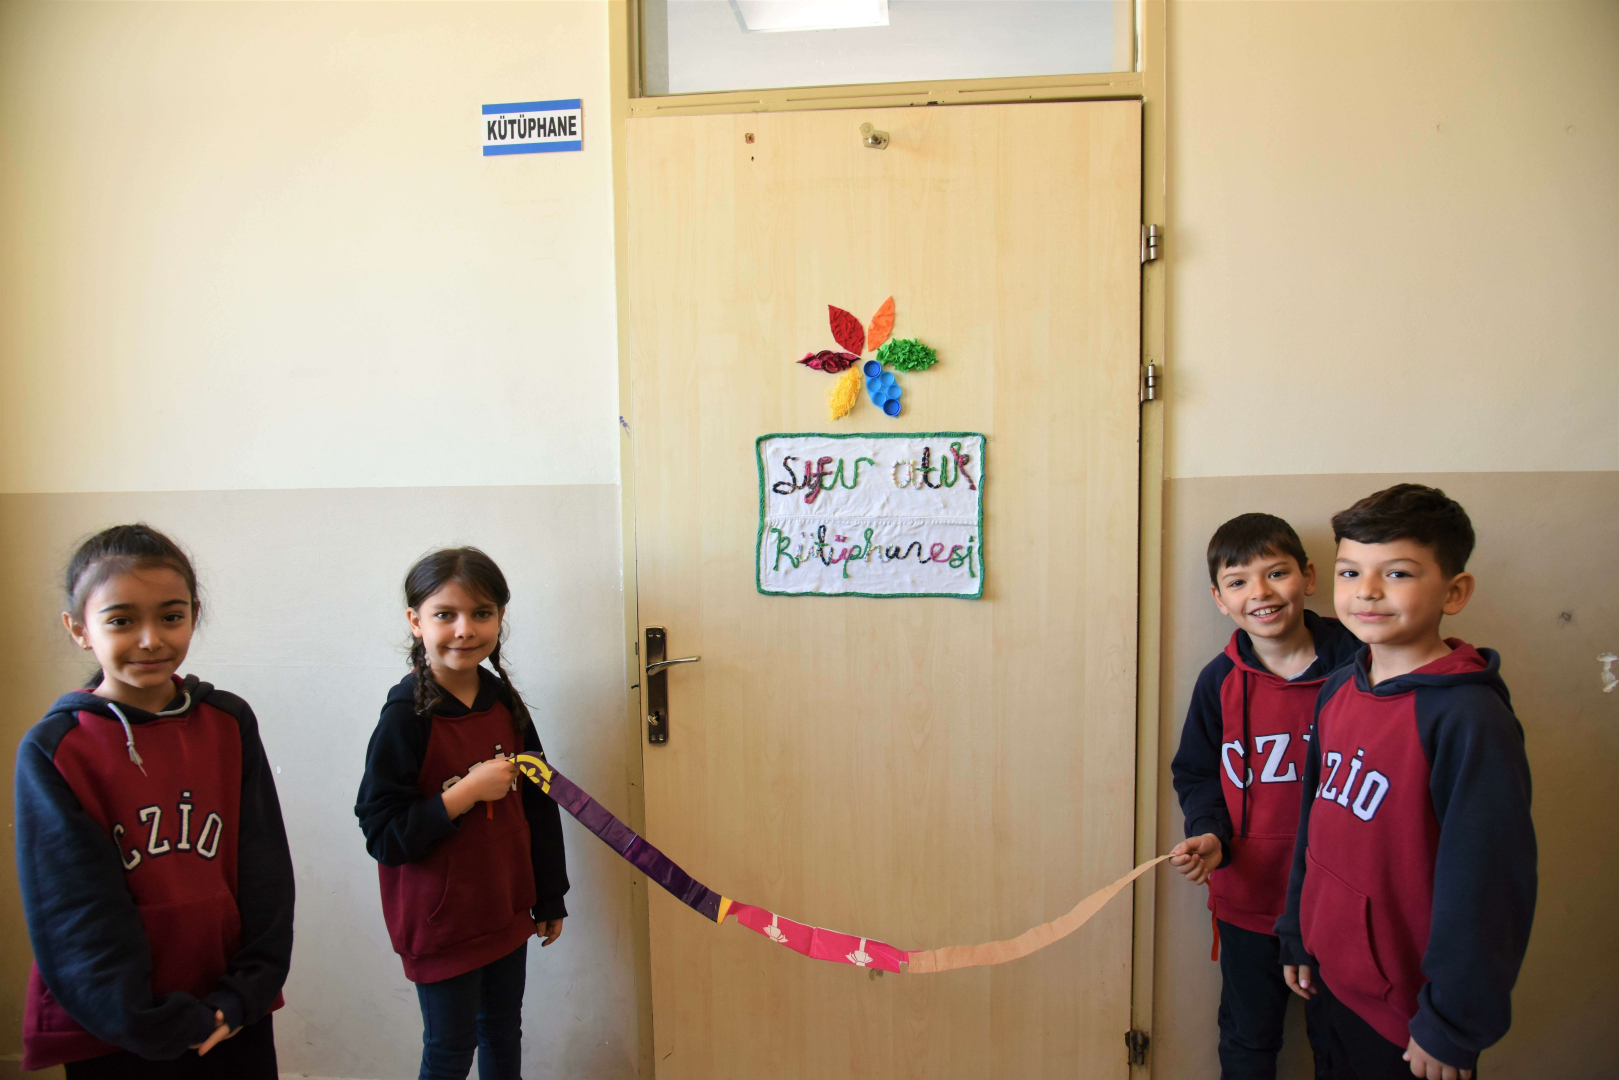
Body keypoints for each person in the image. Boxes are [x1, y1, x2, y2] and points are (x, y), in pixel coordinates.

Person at [14, 524, 295, 1079]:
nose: (150, 640)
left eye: (171, 617)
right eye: (121, 620)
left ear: (194, 615)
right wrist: (153, 1023)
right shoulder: (56, 749)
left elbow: (265, 871)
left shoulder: (228, 722)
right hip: (117, 1028)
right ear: (79, 629)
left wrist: (246, 993)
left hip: (231, 1010)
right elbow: (71, 915)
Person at [1277, 485, 1536, 1080]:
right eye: (1350, 572)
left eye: (1396, 573)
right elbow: (1313, 828)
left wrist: (1450, 1025)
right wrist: (1297, 930)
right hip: (1330, 982)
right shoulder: (1339, 688)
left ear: (1455, 591)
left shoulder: (1468, 719)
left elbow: (1488, 888)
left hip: (1409, 1022)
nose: (1367, 591)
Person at [355, 547, 569, 1080]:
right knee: (449, 1050)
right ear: (416, 621)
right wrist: (464, 793)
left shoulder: (505, 702)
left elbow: (540, 805)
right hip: (442, 925)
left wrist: (549, 894)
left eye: (481, 613)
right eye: (445, 614)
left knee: (503, 1033)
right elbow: (384, 834)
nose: (465, 629)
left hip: (505, 910)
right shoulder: (405, 715)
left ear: (500, 617)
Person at [1170, 513, 1361, 1079]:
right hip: (1249, 902)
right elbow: (1196, 773)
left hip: (1341, 906)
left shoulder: (1364, 668)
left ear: (1309, 577)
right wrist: (1209, 833)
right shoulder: (1218, 681)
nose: (1260, 592)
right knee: (1248, 1041)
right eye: (1238, 581)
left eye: (1276, 573)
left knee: (1343, 1047)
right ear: (1219, 598)